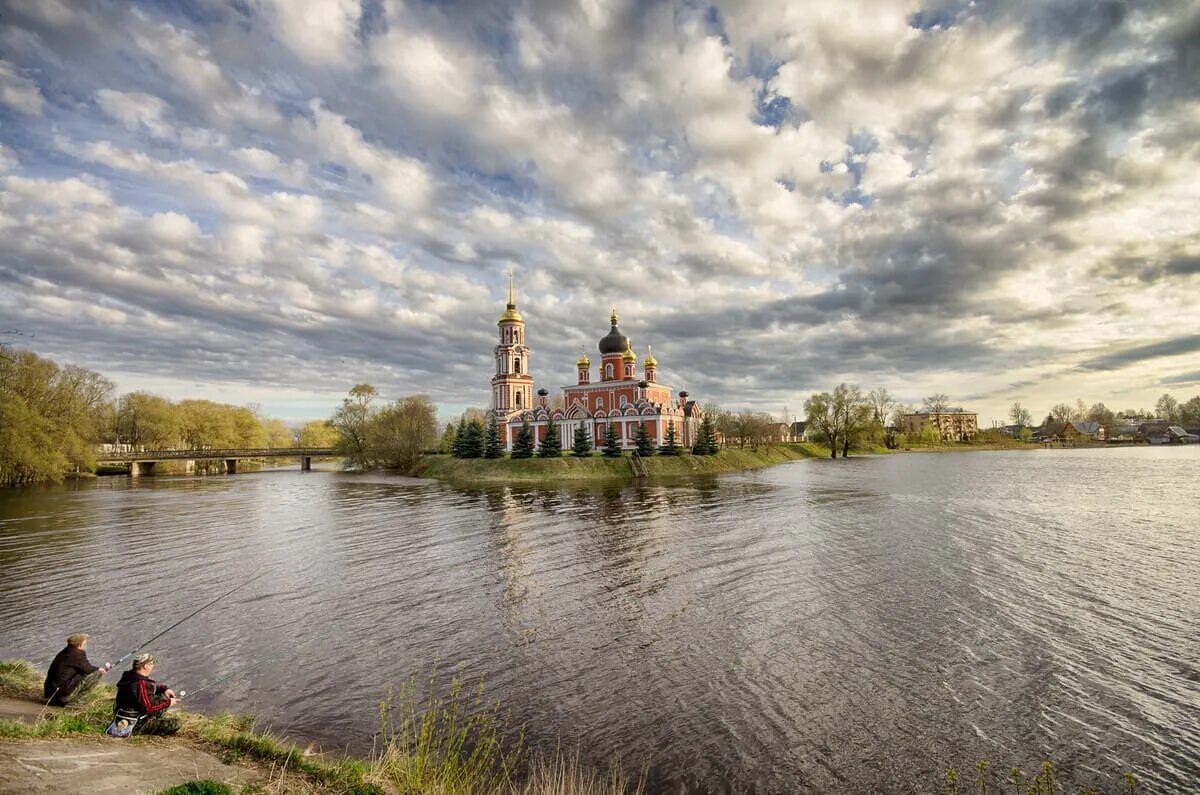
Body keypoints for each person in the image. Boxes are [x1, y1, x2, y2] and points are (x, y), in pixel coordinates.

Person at [111, 653, 181, 736]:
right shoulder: (140, 683)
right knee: (176, 723)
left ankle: (152, 721)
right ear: (145, 666)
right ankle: (139, 731)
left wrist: (164, 689)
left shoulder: (129, 676)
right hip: (135, 722)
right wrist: (169, 702)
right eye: (151, 664)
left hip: (122, 715)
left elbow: (150, 688)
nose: (153, 666)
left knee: (163, 696)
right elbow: (148, 707)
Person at [43, 633, 111, 706]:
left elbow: (83, 668)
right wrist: (100, 669)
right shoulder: (77, 654)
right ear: (79, 644)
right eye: (85, 643)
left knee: (85, 673)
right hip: (61, 695)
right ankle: (75, 701)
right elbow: (88, 669)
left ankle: (57, 699)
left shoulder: (64, 652)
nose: (86, 644)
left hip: (50, 693)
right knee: (97, 673)